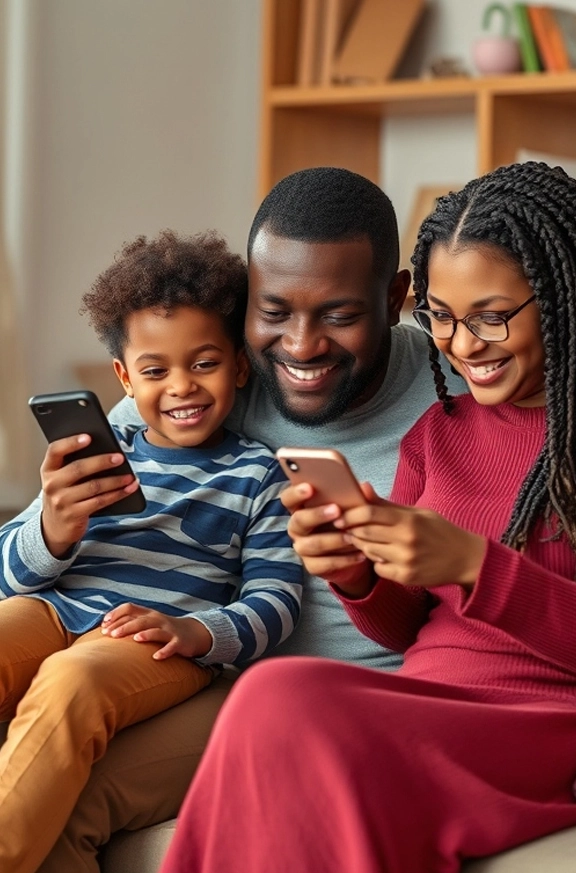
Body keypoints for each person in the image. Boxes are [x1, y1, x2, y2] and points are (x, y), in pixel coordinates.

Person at [158, 161, 576, 873]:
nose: (462, 345)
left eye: (490, 316)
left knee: (281, 701)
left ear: (563, 296)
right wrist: (357, 570)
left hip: (549, 717)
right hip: (426, 695)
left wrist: (477, 566)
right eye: (442, 318)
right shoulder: (440, 430)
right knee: (275, 691)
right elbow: (407, 625)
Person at [33, 167, 466, 873]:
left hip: (349, 703)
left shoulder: (454, 396)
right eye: (274, 311)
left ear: (395, 300)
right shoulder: (210, 381)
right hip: (212, 677)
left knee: (75, 797)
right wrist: (54, 524)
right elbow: (52, 549)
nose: (300, 346)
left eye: (338, 314)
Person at [0, 229, 302, 873]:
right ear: (124, 378)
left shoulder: (261, 475)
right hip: (57, 608)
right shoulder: (102, 453)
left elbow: (276, 600)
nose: (182, 387)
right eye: (155, 370)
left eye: (204, 362)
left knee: (72, 681)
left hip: (153, 639)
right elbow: (8, 572)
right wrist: (54, 526)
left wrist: (195, 631)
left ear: (240, 365)